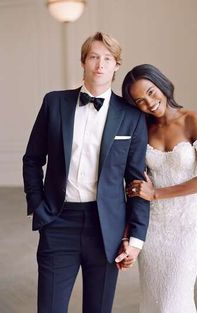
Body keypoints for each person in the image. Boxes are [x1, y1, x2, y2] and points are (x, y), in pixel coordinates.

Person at [22, 32, 150, 313]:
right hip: (58, 221)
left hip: (106, 228)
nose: (100, 64)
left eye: (108, 58)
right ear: (83, 61)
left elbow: (137, 180)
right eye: (94, 57)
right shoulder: (54, 103)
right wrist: (38, 206)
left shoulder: (131, 116)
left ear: (116, 66)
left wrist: (136, 237)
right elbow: (32, 159)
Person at [121, 64, 197, 313]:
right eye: (140, 101)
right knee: (153, 301)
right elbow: (135, 183)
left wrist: (156, 194)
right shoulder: (142, 129)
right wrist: (129, 232)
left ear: (161, 84)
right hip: (152, 228)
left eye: (151, 92)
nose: (149, 103)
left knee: (173, 301)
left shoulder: (194, 120)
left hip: (187, 224)